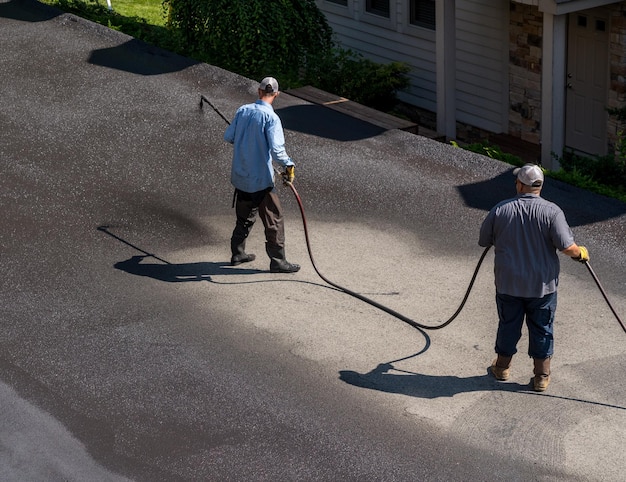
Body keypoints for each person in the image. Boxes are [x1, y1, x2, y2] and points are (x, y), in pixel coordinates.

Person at [478, 164, 589, 391]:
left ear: (520, 185)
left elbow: (484, 240)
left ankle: (501, 368)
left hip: (508, 284)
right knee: (542, 327)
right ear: (539, 186)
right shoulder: (552, 212)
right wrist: (580, 254)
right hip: (543, 287)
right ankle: (541, 377)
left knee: (508, 325)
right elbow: (568, 247)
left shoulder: (501, 209)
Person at [224, 77, 300, 273]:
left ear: (258, 92)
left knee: (244, 217)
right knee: (274, 219)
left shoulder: (242, 110)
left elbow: (228, 137)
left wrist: (245, 140)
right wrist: (288, 165)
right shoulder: (272, 118)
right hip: (261, 181)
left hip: (241, 177)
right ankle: (278, 262)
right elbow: (277, 150)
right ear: (276, 94)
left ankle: (237, 253)